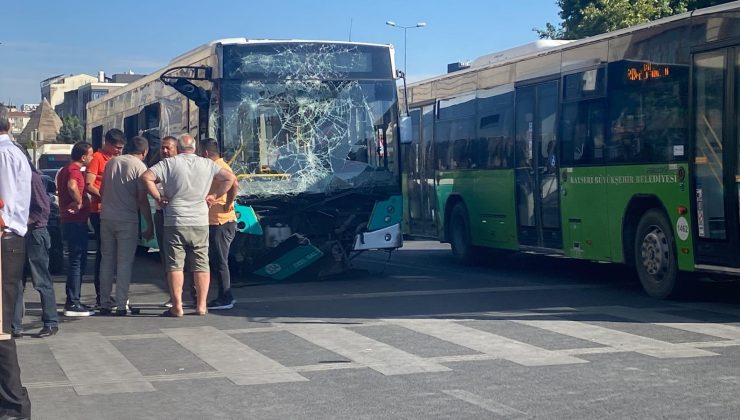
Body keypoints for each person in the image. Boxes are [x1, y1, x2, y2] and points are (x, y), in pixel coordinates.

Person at [141, 134, 236, 317]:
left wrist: (159, 198)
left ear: (178, 147)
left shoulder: (169, 164)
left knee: (175, 265)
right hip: (200, 220)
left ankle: (177, 306)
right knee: (201, 264)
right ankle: (201, 306)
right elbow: (230, 179)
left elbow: (146, 177)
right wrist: (214, 196)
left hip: (175, 220)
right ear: (195, 148)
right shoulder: (207, 164)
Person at [0, 104, 33, 419]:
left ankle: (12, 404)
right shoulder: (14, 152)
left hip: (3, 241)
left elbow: (5, 207)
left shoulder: (4, 155)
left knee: (0, 326)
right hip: (9, 241)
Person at [98, 136, 153, 316]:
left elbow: (102, 190)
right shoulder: (139, 167)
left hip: (106, 217)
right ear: (144, 152)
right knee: (124, 263)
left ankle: (104, 302)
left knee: (106, 261)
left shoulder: (111, 163)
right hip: (127, 219)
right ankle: (122, 305)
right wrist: (149, 224)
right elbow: (142, 200)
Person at [12, 155, 60, 337]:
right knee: (15, 282)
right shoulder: (14, 178)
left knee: (41, 281)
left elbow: (42, 209)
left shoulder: (32, 178)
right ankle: (14, 326)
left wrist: (23, 223)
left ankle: (50, 321)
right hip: (19, 233)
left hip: (34, 234)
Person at [85, 128, 125, 307]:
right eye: (116, 147)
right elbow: (89, 184)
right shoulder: (97, 159)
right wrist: (105, 197)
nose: (119, 151)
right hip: (99, 210)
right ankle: (101, 293)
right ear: (107, 144)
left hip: (114, 210)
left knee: (113, 253)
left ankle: (109, 291)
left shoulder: (115, 159)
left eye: (121, 148)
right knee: (103, 253)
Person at [200, 138, 238, 310]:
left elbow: (234, 183)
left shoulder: (220, 167)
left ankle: (226, 297)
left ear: (205, 153)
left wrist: (229, 201)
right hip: (215, 220)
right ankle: (224, 295)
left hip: (221, 222)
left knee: (220, 260)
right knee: (216, 259)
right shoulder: (217, 165)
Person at [57, 141, 94, 317]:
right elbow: (72, 186)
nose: (92, 157)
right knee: (77, 261)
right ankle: (73, 301)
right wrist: (79, 202)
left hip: (71, 221)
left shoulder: (65, 169)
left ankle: (73, 299)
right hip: (75, 221)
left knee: (76, 260)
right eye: (90, 155)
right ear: (83, 156)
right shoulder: (73, 170)